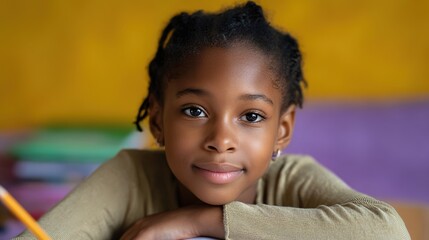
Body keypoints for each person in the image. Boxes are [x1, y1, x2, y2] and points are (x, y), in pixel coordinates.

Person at [14, 1, 410, 239]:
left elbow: (386, 231)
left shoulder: (294, 182)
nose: (221, 139)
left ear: (282, 131)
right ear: (157, 121)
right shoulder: (129, 178)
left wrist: (202, 221)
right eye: (194, 111)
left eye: (251, 116)